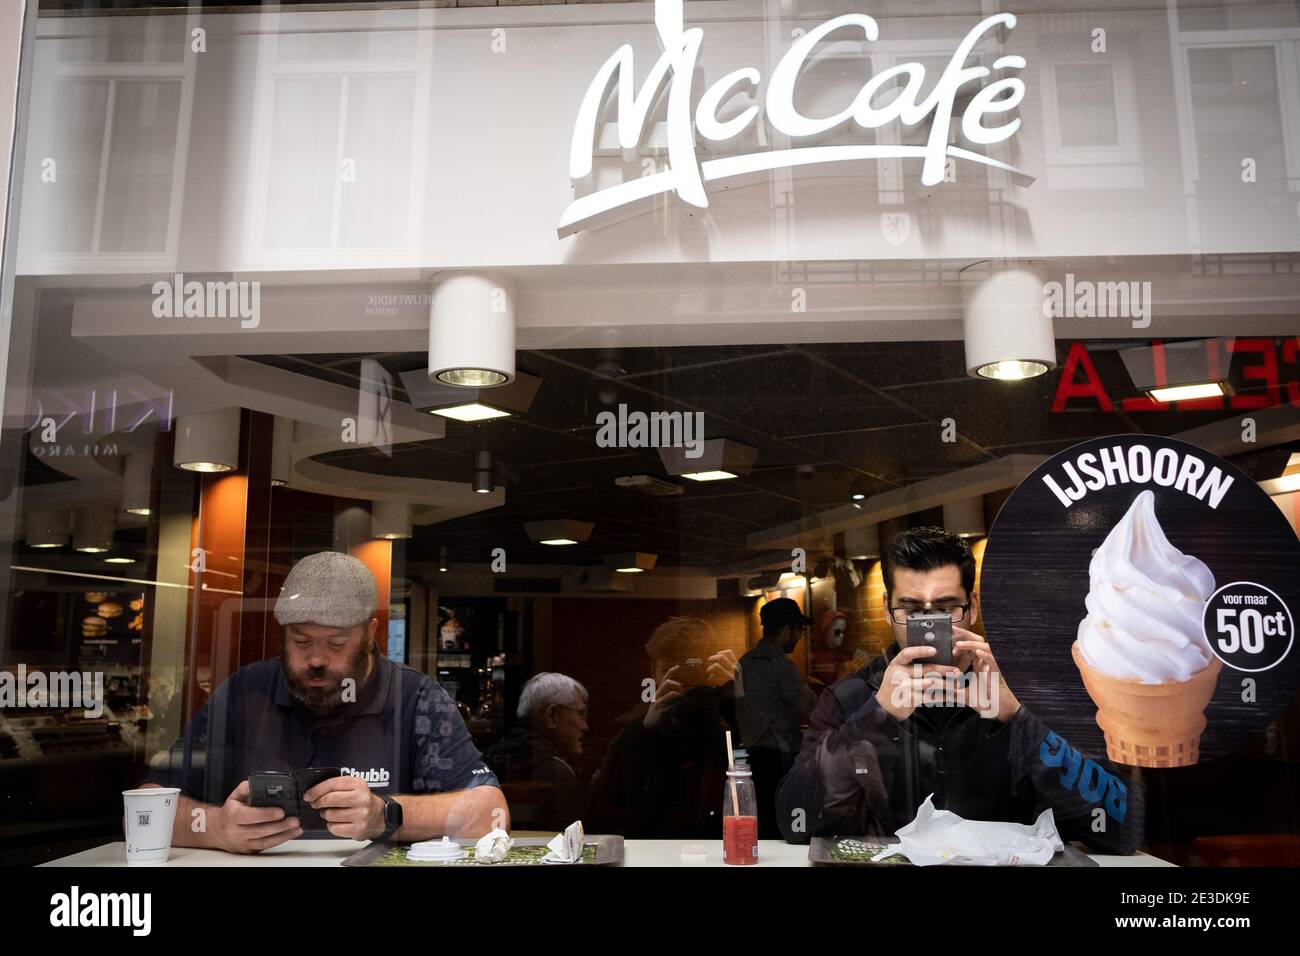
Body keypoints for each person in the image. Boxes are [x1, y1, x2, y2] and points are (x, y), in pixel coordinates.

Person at [777, 527, 1144, 854]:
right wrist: (875, 717)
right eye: (910, 609)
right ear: (888, 612)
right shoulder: (852, 698)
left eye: (946, 607)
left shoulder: (1027, 693)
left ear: (973, 608)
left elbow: (1119, 826)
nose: (929, 624)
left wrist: (1019, 718)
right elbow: (796, 822)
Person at [140, 551, 508, 854]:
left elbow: (491, 814)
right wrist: (217, 828)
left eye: (335, 643)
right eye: (301, 641)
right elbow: (142, 811)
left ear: (370, 634)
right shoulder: (246, 691)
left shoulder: (416, 699)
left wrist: (385, 815)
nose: (316, 659)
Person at [587, 615, 738, 838]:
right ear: (653, 670)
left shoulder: (727, 722)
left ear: (712, 666)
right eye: (673, 670)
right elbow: (597, 810)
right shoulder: (634, 728)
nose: (685, 681)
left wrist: (737, 705)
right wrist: (643, 734)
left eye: (692, 668)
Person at [735, 598, 817, 838]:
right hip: (779, 759)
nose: (799, 636)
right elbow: (811, 707)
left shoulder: (744, 662)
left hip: (752, 756)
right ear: (784, 631)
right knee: (783, 826)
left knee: (760, 824)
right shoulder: (780, 665)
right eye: (798, 631)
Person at [484, 672, 588, 831]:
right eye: (581, 714)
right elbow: (570, 846)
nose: (585, 726)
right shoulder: (557, 774)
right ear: (552, 716)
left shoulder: (491, 759)